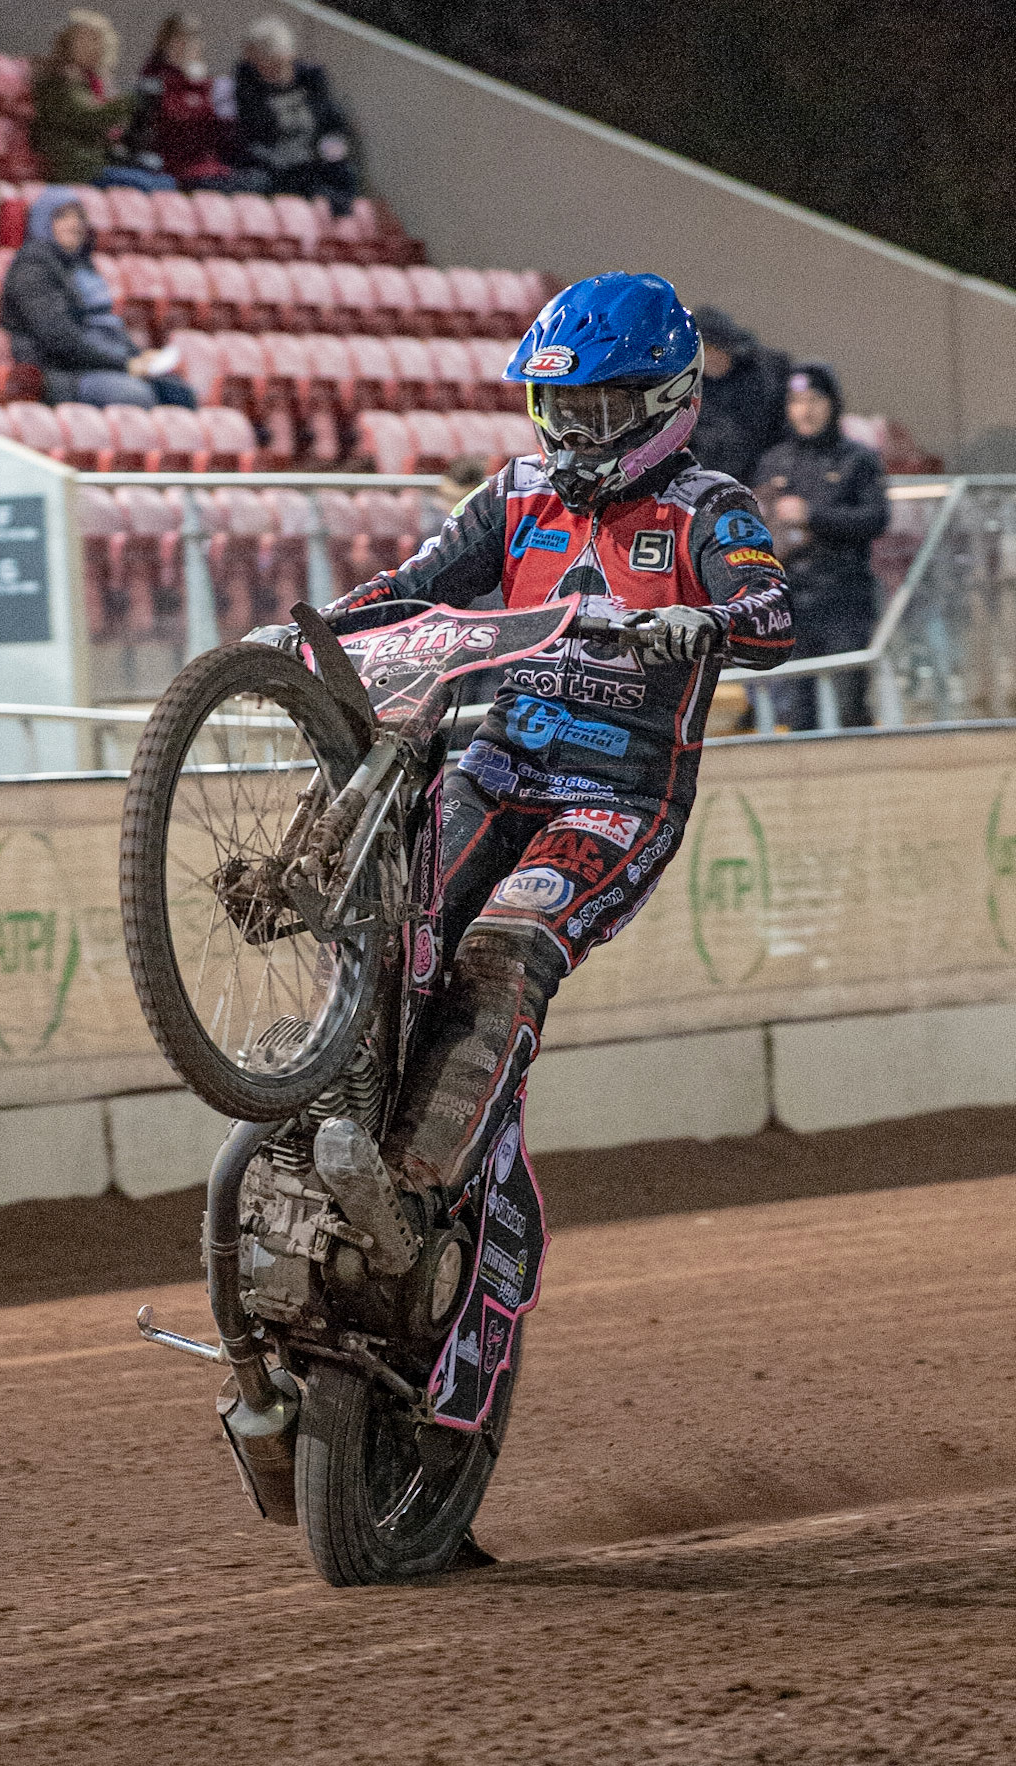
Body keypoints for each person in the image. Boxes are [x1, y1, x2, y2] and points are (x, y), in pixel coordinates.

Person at [252, 272, 794, 1202]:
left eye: (604, 407)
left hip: (618, 798)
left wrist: (707, 624)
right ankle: (328, 1113)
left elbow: (774, 612)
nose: (578, 431)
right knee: (388, 932)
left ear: (667, 402)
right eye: (560, 407)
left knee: (505, 949)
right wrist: (314, 630)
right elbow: (415, 583)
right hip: (497, 766)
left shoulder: (710, 505)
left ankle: (412, 1186)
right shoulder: (513, 494)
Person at [756, 362, 888, 730]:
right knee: (798, 712)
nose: (805, 410)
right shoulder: (775, 461)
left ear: (832, 404)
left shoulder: (857, 459)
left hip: (844, 595)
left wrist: (812, 515)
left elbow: (875, 518)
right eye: (796, 401)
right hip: (792, 598)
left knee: (851, 705)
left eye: (814, 399)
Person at [1, 187, 198, 408]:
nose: (74, 224)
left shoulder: (82, 263)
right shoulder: (32, 269)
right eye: (62, 216)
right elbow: (59, 339)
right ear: (43, 221)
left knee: (179, 392)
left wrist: (138, 356)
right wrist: (125, 363)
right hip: (61, 372)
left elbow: (106, 325)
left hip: (105, 364)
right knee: (137, 395)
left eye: (79, 216)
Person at [31, 11, 175, 192]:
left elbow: (117, 126)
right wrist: (134, 98)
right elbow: (86, 117)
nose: (94, 46)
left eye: (98, 40)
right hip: (76, 166)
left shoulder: (96, 80)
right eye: (86, 39)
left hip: (103, 160)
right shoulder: (58, 79)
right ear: (67, 42)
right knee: (150, 185)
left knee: (165, 180)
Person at [232, 15, 358, 216]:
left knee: (344, 176)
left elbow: (334, 127)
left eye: (277, 62)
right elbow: (251, 134)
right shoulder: (248, 87)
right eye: (264, 64)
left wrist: (330, 153)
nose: (272, 70)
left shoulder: (313, 80)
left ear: (289, 55)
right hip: (273, 168)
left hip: (314, 163)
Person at [132, 13, 264, 194]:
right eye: (179, 40)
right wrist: (193, 84)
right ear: (165, 44)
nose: (187, 46)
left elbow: (222, 129)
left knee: (258, 180)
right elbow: (177, 123)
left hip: (211, 165)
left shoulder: (208, 83)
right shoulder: (155, 79)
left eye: (192, 39)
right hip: (176, 167)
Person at [692, 305, 789, 486]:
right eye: (704, 349)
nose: (711, 356)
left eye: (716, 348)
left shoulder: (765, 375)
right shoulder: (689, 386)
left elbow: (782, 431)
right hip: (703, 482)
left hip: (758, 480)